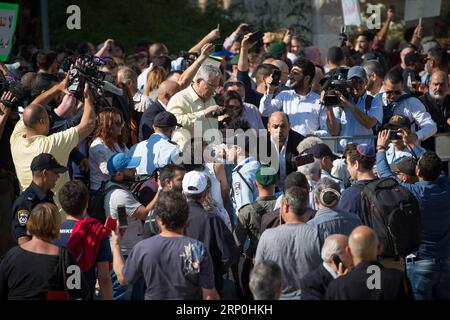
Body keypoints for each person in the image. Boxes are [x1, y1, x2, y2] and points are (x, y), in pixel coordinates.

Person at [376, 131, 450, 300]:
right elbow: (435, 164)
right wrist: (411, 145)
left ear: (417, 170)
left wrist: (381, 148)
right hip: (445, 259)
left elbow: (386, 175)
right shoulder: (446, 185)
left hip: (421, 261)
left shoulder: (414, 192)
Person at [111, 191, 220, 300]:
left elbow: (123, 278)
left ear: (158, 219)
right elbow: (209, 296)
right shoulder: (196, 249)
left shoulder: (143, 248)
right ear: (186, 217)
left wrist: (116, 244)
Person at [10, 81, 95, 202]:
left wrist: (59, 87)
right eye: (48, 118)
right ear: (42, 121)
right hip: (56, 216)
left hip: (32, 213)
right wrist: (88, 99)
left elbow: (34, 106)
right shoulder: (49, 144)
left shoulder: (16, 139)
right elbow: (88, 124)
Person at [0, 203, 89, 300]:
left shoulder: (11, 256)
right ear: (56, 225)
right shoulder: (65, 257)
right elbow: (79, 293)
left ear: (31, 222)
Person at [255, 186, 323, 299]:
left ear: (285, 207)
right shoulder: (319, 234)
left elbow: (259, 276)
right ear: (306, 209)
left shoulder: (267, 237)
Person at [104, 152, 152, 300]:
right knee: (123, 295)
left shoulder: (118, 190)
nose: (134, 171)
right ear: (118, 174)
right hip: (124, 255)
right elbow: (144, 213)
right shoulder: (120, 195)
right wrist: (161, 192)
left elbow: (123, 219)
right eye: (130, 169)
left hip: (129, 251)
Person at [54, 181, 112, 300]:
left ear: (62, 206)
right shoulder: (97, 231)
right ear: (86, 204)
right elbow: (104, 278)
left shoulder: (52, 233)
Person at [182, 170, 236, 294]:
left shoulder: (172, 218)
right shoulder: (212, 219)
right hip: (210, 286)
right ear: (206, 194)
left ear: (183, 193)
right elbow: (228, 254)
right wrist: (216, 270)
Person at [325, 226, 413, 300]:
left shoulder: (337, 287)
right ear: (380, 248)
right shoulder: (398, 279)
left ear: (349, 251)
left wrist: (340, 283)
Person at [260, 58, 340, 137]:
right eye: (290, 73)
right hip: (287, 147)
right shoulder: (284, 96)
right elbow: (264, 112)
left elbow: (327, 132)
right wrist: (270, 90)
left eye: (295, 73)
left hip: (308, 146)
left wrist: (314, 134)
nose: (290, 76)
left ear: (306, 78)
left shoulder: (319, 101)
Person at [233, 164, 278, 298]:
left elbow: (237, 244)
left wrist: (233, 269)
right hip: (279, 262)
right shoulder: (284, 207)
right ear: (275, 183)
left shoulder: (247, 211)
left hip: (255, 263)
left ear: (255, 183)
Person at [11, 153, 66, 245]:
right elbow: (23, 239)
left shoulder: (47, 196)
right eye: (55, 173)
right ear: (45, 173)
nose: (58, 176)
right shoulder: (26, 202)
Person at [167, 64, 224, 148]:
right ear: (198, 81)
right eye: (211, 85)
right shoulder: (179, 98)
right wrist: (203, 114)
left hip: (210, 154)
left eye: (216, 86)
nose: (214, 91)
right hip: (186, 155)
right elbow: (175, 122)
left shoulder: (211, 99)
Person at [380, 67, 437, 142]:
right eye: (389, 92)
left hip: (407, 149)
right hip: (383, 149)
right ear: (383, 84)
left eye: (397, 92)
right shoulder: (377, 100)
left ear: (403, 86)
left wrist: (415, 136)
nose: (393, 96)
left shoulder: (412, 102)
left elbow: (431, 126)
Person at [335, 66, 383, 152]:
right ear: (347, 84)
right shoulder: (340, 101)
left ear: (366, 82)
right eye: (352, 82)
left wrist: (349, 105)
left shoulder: (374, 101)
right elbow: (334, 130)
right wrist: (328, 107)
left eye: (360, 81)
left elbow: (369, 124)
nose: (357, 86)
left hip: (364, 152)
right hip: (343, 152)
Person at [88, 107, 128, 193]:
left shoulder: (117, 142)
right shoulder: (98, 146)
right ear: (107, 125)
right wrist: (127, 169)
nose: (121, 126)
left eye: (122, 122)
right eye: (118, 123)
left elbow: (130, 157)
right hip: (101, 190)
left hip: (116, 186)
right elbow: (107, 170)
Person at [301, 234, 352, 300]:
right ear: (334, 258)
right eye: (349, 252)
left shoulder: (354, 275)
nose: (353, 257)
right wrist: (338, 286)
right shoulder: (311, 282)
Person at [128, 111, 181, 175]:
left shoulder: (135, 148)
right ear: (173, 129)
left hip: (136, 184)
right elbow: (178, 176)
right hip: (161, 184)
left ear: (153, 127)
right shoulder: (174, 149)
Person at [337, 144, 377, 220]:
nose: (347, 168)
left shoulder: (349, 195)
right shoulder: (386, 186)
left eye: (347, 163)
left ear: (356, 164)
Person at [266, 112, 304, 191]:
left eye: (283, 126)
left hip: (294, 190)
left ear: (289, 126)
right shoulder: (260, 144)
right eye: (275, 127)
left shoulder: (300, 142)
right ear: (268, 127)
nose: (279, 130)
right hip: (269, 192)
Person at [227, 134, 260, 218]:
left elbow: (244, 209)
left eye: (230, 147)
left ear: (238, 149)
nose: (227, 151)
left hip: (248, 224)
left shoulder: (240, 172)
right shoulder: (257, 164)